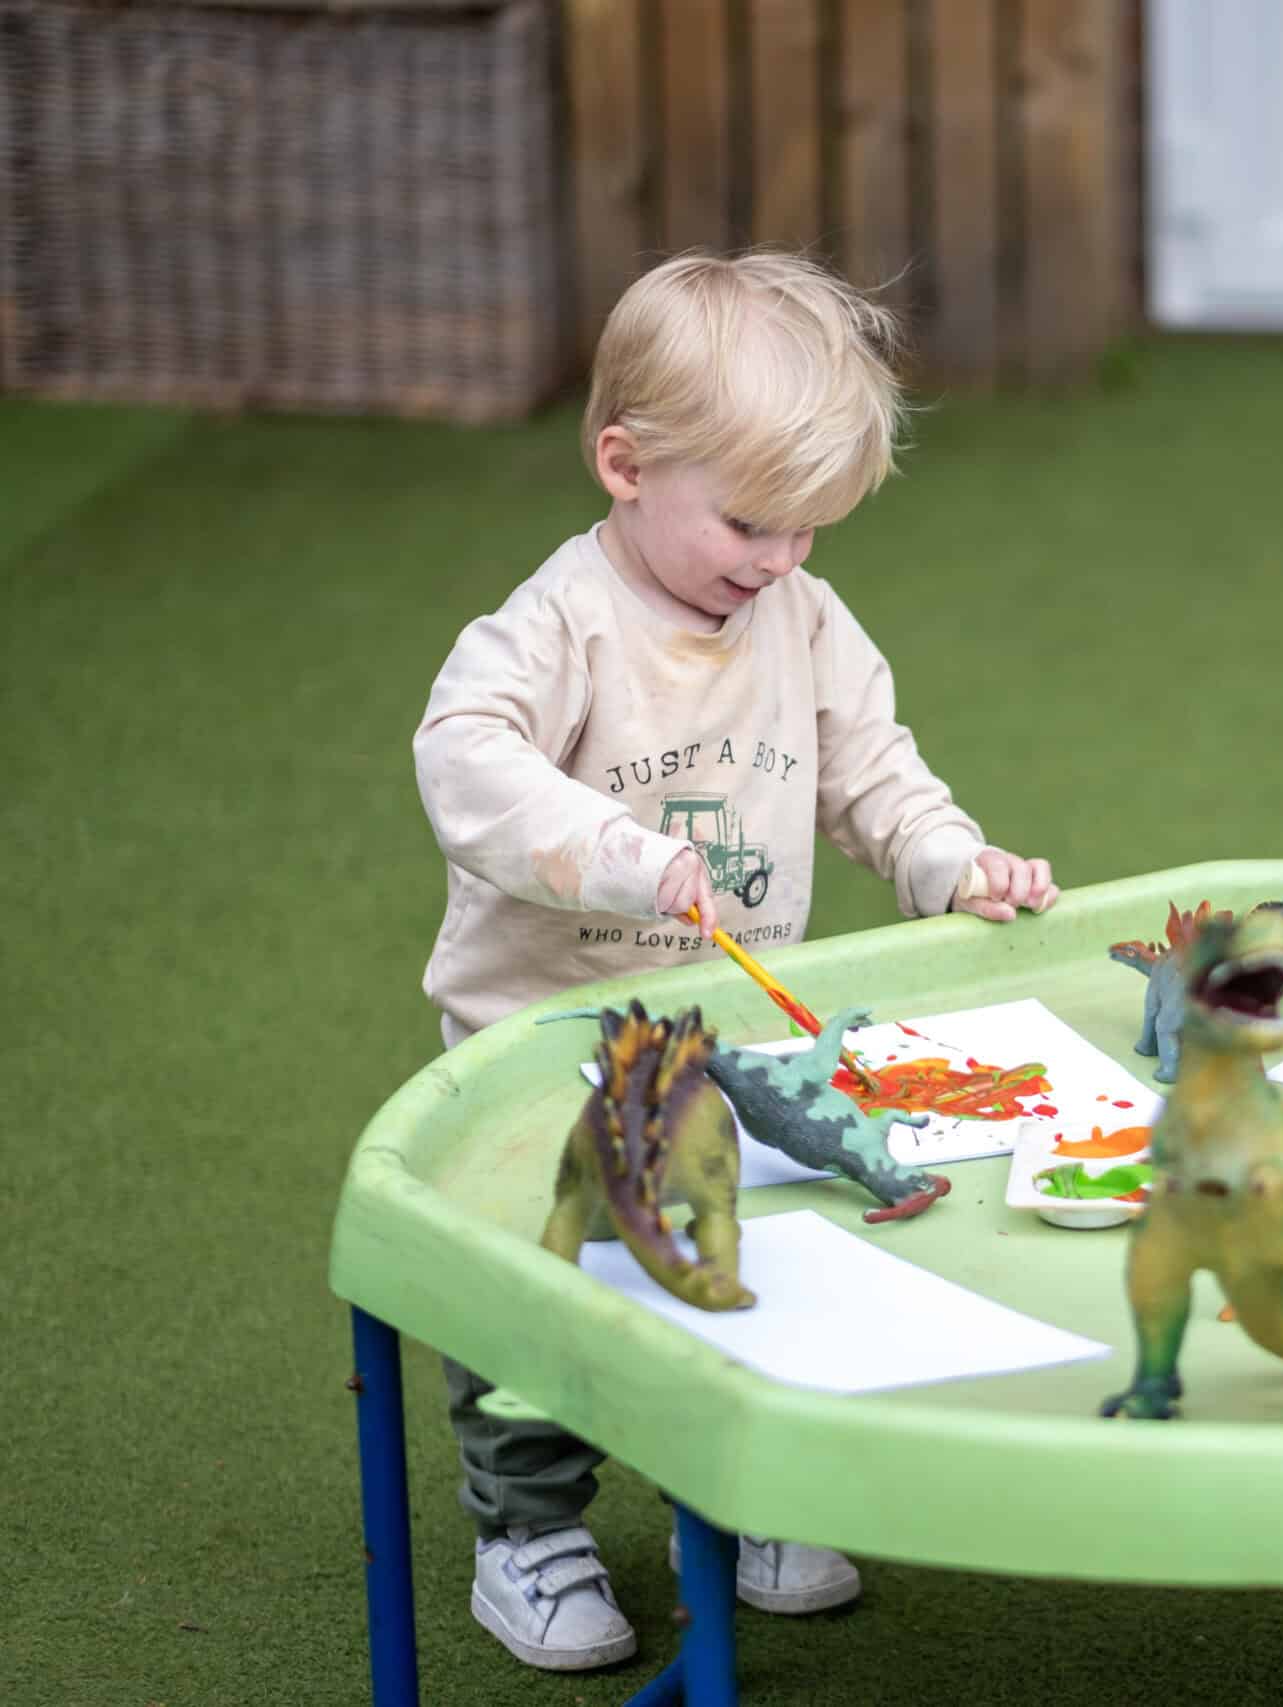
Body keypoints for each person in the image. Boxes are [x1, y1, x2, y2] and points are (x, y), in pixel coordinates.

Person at [414, 249, 1058, 1671]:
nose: (778, 563)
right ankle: (527, 1529)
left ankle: (747, 1484)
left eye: (810, 534)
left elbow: (872, 771)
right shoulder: (565, 623)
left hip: (716, 1032)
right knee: (548, 1282)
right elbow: (461, 759)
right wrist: (622, 852)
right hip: (543, 1043)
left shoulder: (801, 618)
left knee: (750, 1244)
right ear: (624, 463)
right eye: (754, 525)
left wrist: (949, 860)